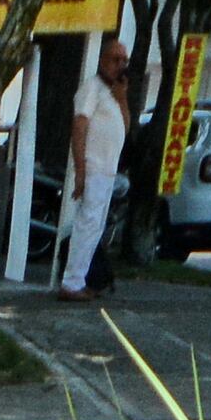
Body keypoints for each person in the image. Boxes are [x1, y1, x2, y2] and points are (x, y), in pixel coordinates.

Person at [56, 39, 136, 296]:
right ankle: (71, 282)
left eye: (124, 60)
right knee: (86, 224)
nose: (120, 65)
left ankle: (81, 279)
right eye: (115, 59)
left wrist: (122, 99)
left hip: (108, 171)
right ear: (103, 60)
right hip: (93, 168)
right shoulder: (91, 88)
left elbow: (125, 127)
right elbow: (79, 128)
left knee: (96, 228)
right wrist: (80, 171)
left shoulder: (113, 94)